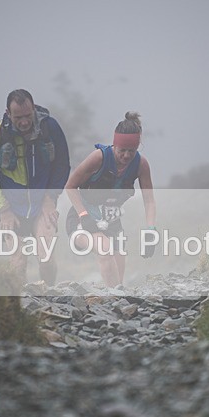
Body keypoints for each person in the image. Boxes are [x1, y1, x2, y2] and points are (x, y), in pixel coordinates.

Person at [0, 89, 70, 284]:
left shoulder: (50, 128)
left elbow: (62, 165)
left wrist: (50, 198)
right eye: (18, 117)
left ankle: (50, 299)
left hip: (42, 205)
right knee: (18, 262)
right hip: (11, 209)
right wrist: (3, 210)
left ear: (34, 109)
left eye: (28, 116)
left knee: (45, 258)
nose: (24, 122)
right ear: (8, 114)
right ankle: (22, 308)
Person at [65, 111, 156, 287]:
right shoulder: (99, 158)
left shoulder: (141, 165)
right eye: (122, 151)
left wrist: (151, 230)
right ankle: (113, 300)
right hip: (83, 217)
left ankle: (116, 304)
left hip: (112, 221)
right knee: (105, 249)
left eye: (132, 151)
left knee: (118, 278)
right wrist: (84, 215)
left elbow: (149, 201)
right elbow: (70, 186)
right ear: (115, 145)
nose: (127, 156)